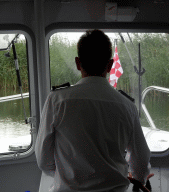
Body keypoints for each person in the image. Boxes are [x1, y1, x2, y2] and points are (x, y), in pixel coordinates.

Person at [35, 30, 152, 192]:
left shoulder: (57, 100)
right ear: (110, 66)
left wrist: (65, 175)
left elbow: (43, 160)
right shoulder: (127, 106)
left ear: (77, 63)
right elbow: (141, 158)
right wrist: (139, 178)